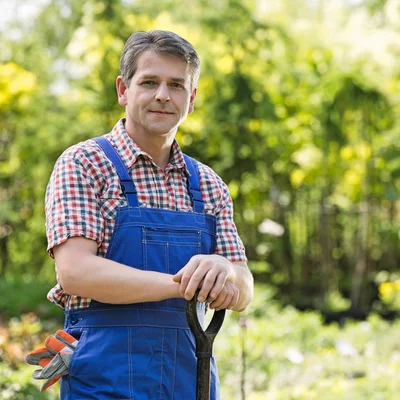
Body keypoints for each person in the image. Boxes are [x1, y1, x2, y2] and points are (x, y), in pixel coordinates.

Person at [26, 30, 254, 399]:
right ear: (123, 90)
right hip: (103, 380)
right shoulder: (85, 164)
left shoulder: (208, 184)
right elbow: (76, 273)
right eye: (149, 82)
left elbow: (243, 288)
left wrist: (225, 270)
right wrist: (189, 286)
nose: (163, 95)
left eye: (177, 85)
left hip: (189, 380)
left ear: (191, 98)